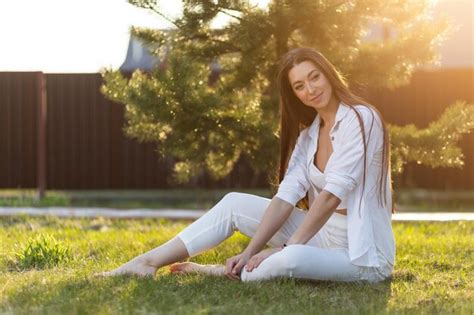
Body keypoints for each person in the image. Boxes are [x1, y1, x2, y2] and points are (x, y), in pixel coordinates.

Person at [97, 47, 395, 283]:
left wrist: (286, 248)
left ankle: (216, 271)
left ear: (328, 74)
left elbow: (331, 196)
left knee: (286, 261)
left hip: (361, 255)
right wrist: (250, 250)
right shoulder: (309, 135)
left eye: (315, 77)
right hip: (320, 233)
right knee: (233, 204)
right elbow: (286, 196)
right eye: (300, 86)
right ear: (295, 94)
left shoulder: (361, 118)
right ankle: (147, 262)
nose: (311, 89)